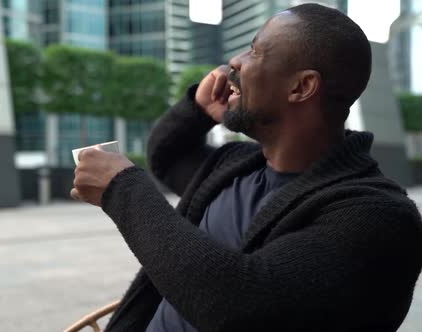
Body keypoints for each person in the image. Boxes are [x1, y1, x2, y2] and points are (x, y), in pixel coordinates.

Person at [71, 3, 422, 331]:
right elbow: (168, 156)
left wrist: (123, 189)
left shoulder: (378, 217)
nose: (235, 62)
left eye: (255, 51)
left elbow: (238, 305)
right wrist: (196, 111)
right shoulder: (235, 165)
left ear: (302, 86)